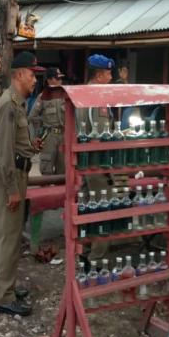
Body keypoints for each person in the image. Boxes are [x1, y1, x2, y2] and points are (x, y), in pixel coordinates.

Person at [0, 51, 43, 316]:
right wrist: (12, 190)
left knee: (10, 237)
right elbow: (4, 155)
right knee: (8, 238)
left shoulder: (19, 103)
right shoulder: (9, 105)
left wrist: (32, 147)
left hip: (18, 174)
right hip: (9, 178)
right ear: (20, 74)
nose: (35, 80)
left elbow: (16, 145)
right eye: (33, 75)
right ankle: (3, 297)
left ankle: (5, 286)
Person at [76, 54, 114, 263]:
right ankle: (97, 256)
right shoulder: (97, 97)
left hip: (84, 158)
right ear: (99, 75)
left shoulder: (82, 93)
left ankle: (83, 249)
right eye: (108, 74)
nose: (110, 78)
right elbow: (100, 136)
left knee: (87, 203)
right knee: (102, 204)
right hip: (96, 160)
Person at [28, 67, 66, 175]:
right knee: (46, 168)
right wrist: (38, 132)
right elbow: (32, 117)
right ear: (49, 80)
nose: (60, 81)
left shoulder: (65, 95)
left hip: (64, 136)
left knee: (63, 170)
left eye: (60, 78)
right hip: (49, 136)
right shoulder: (43, 96)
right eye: (57, 78)